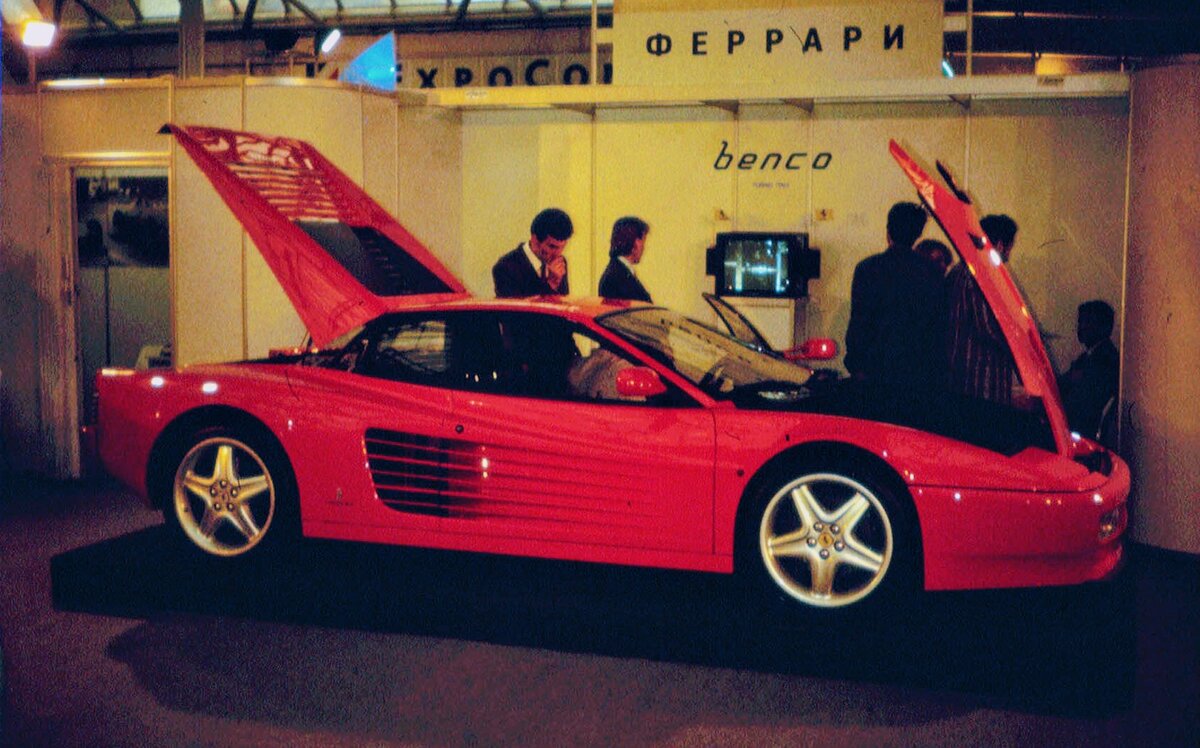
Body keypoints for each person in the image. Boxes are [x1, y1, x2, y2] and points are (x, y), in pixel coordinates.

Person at [844, 202, 945, 388]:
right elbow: (936, 326)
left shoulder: (868, 268)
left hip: (874, 368)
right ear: (918, 234)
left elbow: (860, 322)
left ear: (888, 230)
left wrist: (855, 364)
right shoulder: (931, 272)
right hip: (918, 370)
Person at [946, 213, 1019, 404]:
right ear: (1001, 244)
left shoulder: (960, 270)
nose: (1009, 253)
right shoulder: (981, 274)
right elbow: (990, 327)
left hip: (961, 376)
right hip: (982, 381)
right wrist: (1021, 343)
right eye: (1010, 246)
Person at [1058, 300, 1120, 441]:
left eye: (1087, 322)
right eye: (1080, 322)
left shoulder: (1104, 360)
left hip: (1081, 436)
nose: (1081, 327)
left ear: (1103, 327)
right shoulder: (1089, 356)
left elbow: (1081, 405)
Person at [492, 208, 574, 298]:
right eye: (552, 247)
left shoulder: (560, 262)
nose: (558, 253)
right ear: (535, 240)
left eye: (562, 247)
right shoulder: (505, 268)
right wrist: (551, 284)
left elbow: (563, 302)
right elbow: (516, 306)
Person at [599, 216, 652, 302]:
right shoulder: (616, 277)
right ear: (636, 242)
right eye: (643, 241)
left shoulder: (618, 273)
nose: (644, 247)